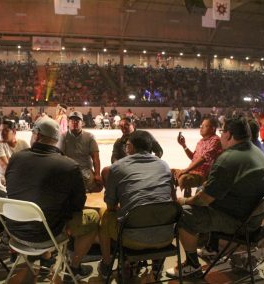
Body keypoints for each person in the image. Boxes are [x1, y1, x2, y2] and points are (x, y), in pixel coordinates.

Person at [166, 117, 264, 278]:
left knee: (182, 214)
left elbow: (204, 199)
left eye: (222, 132)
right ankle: (211, 248)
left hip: (240, 222)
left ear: (229, 135)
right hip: (255, 216)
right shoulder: (256, 151)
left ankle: (192, 265)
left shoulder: (229, 159)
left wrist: (183, 201)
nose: (221, 136)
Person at [5, 117, 99, 280]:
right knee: (93, 217)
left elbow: (11, 188)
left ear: (37, 136)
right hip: (47, 234)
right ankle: (74, 267)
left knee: (42, 208)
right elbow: (78, 205)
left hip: (15, 232)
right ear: (56, 140)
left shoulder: (16, 158)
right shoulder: (68, 165)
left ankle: (47, 258)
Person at [98, 130, 174, 278]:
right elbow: (172, 200)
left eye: (127, 145)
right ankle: (157, 262)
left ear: (131, 147)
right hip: (166, 237)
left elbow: (111, 206)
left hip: (132, 239)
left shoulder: (117, 167)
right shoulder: (164, 166)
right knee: (157, 212)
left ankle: (107, 264)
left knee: (106, 216)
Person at [172, 117, 222, 197]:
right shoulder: (201, 141)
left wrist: (186, 170)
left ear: (213, 129)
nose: (201, 127)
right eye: (201, 125)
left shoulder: (215, 140)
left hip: (203, 174)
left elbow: (204, 158)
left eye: (204, 126)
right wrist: (184, 145)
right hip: (192, 171)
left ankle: (186, 200)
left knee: (184, 178)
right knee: (168, 173)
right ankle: (175, 200)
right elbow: (194, 158)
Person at [59, 111, 103, 193]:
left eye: (77, 121)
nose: (74, 122)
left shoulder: (89, 137)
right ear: (68, 123)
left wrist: (97, 174)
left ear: (82, 123)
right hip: (69, 169)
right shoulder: (63, 137)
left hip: (85, 170)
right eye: (72, 120)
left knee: (98, 186)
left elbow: (95, 157)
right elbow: (59, 157)